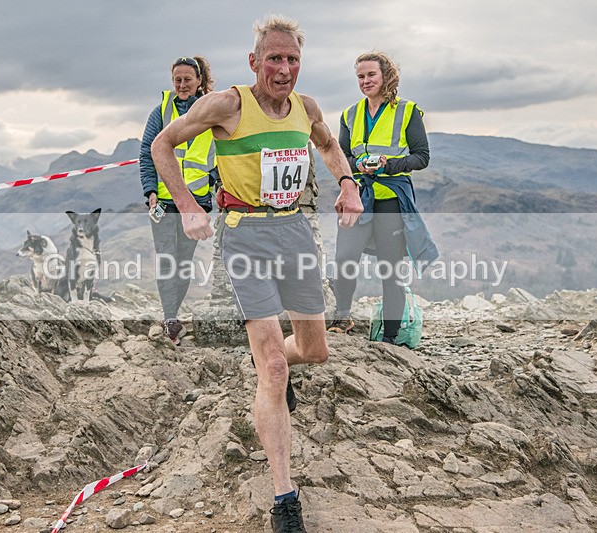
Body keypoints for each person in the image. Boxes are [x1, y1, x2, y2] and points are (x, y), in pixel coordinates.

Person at [152, 16, 363, 533]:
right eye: (274, 58)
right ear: (254, 62)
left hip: (295, 232)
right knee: (273, 368)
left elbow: (327, 145)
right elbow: (162, 144)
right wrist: (187, 206)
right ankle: (284, 499)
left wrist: (348, 183)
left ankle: (274, 365)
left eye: (292, 59)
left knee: (314, 350)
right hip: (244, 235)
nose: (284, 69)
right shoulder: (227, 105)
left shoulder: (306, 108)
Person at [328, 51, 438, 343]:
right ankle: (342, 317)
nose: (365, 81)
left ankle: (390, 335)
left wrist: (389, 165)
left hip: (391, 198)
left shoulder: (407, 111)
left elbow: (422, 157)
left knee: (390, 269)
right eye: (360, 76)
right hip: (359, 196)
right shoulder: (349, 114)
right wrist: (358, 165)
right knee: (344, 257)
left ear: (386, 76)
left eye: (371, 75)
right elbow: (343, 158)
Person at [139, 56, 217, 345]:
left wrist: (218, 183)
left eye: (187, 80)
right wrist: (150, 190)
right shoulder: (161, 111)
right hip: (163, 199)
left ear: (199, 81)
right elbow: (147, 153)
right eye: (177, 80)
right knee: (166, 257)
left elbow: (220, 155)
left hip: (196, 202)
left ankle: (172, 314)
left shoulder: (211, 111)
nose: (182, 85)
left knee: (183, 261)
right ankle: (170, 318)